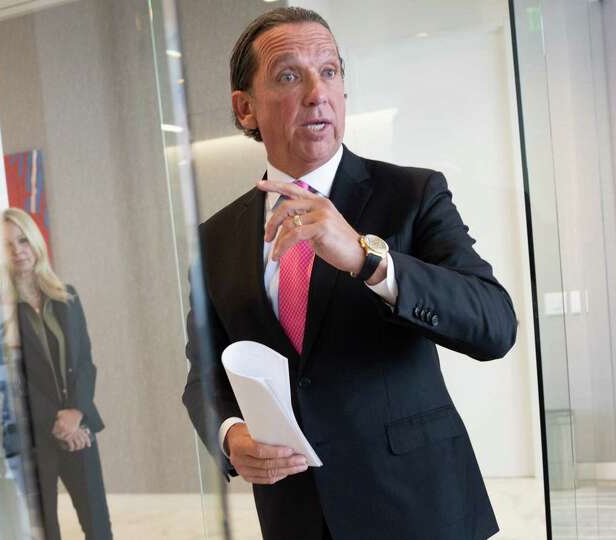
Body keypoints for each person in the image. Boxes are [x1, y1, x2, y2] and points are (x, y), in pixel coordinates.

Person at [181, 7, 518, 540]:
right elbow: (205, 369)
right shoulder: (214, 237)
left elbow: (495, 324)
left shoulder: (413, 194)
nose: (318, 92)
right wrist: (229, 434)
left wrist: (369, 259)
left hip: (418, 509)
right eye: (290, 75)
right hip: (296, 514)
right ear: (245, 109)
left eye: (331, 71)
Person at [2, 207, 112, 540]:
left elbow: (85, 362)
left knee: (98, 526)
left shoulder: (67, 296)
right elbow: (13, 379)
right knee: (46, 530)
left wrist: (76, 412)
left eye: (23, 240)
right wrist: (58, 420)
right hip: (34, 435)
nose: (18, 250)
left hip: (79, 426)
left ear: (36, 242)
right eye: (7, 245)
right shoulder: (0, 309)